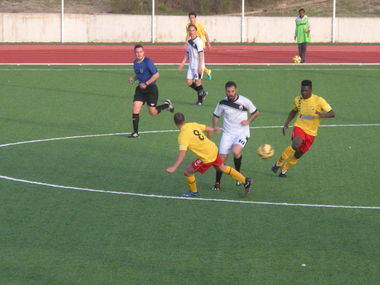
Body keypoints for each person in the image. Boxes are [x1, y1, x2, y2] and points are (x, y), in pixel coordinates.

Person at [166, 112, 253, 197]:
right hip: (213, 149)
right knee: (222, 167)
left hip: (206, 157)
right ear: (184, 120)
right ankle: (246, 181)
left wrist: (174, 167)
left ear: (175, 123)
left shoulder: (182, 136)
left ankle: (193, 192)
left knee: (187, 172)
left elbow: (182, 154)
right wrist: (208, 140)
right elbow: (209, 129)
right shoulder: (192, 124)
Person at [272, 80, 335, 177]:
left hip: (312, 132)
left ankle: (284, 170)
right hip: (300, 126)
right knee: (296, 144)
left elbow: (332, 113)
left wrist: (322, 115)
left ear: (311, 90)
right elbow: (293, 111)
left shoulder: (319, 100)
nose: (303, 93)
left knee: (298, 154)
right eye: (302, 91)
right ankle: (278, 163)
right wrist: (286, 123)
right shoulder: (298, 100)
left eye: (305, 91)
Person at [212, 81, 260, 190]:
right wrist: (215, 126)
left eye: (232, 91)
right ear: (225, 91)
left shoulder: (245, 101)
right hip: (227, 134)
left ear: (236, 90)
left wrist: (248, 121)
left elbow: (256, 112)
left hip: (242, 133)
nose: (231, 93)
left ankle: (238, 176)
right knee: (221, 159)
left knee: (235, 151)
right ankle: (217, 183)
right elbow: (215, 116)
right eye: (228, 91)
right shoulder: (222, 102)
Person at [128, 44, 174, 138]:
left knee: (152, 112)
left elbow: (157, 75)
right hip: (140, 90)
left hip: (151, 89)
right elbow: (140, 74)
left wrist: (146, 83)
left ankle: (167, 105)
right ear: (134, 53)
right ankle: (135, 133)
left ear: (143, 52)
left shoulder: (148, 62)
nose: (139, 54)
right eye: (137, 52)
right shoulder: (135, 63)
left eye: (140, 52)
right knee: (135, 108)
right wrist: (134, 78)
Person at [178, 24, 208, 106]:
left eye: (193, 30)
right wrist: (182, 63)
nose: (191, 32)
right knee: (189, 82)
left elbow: (201, 54)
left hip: (198, 65)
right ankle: (203, 93)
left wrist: (200, 66)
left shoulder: (198, 41)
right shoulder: (189, 42)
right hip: (191, 65)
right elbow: (187, 54)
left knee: (198, 83)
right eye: (190, 30)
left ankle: (200, 101)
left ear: (196, 31)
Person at [185, 12, 212, 80]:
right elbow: (188, 34)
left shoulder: (199, 25)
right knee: (194, 60)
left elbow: (205, 34)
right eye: (190, 18)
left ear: (195, 18)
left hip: (200, 44)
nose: (191, 19)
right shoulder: (188, 25)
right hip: (192, 44)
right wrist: (186, 42)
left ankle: (198, 76)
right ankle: (207, 71)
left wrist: (208, 43)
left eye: (193, 18)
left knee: (199, 60)